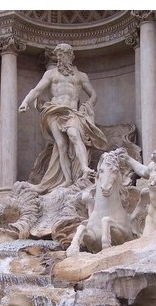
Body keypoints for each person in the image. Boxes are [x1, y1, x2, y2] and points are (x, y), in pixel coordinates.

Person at [19, 43, 109, 193]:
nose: (60, 58)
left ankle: (85, 168)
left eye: (63, 54)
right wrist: (25, 102)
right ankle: (67, 179)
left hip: (72, 112)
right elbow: (37, 90)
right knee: (61, 145)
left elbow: (93, 94)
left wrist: (86, 106)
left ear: (70, 56)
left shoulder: (81, 76)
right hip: (53, 111)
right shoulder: (51, 74)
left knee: (74, 134)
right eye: (58, 55)